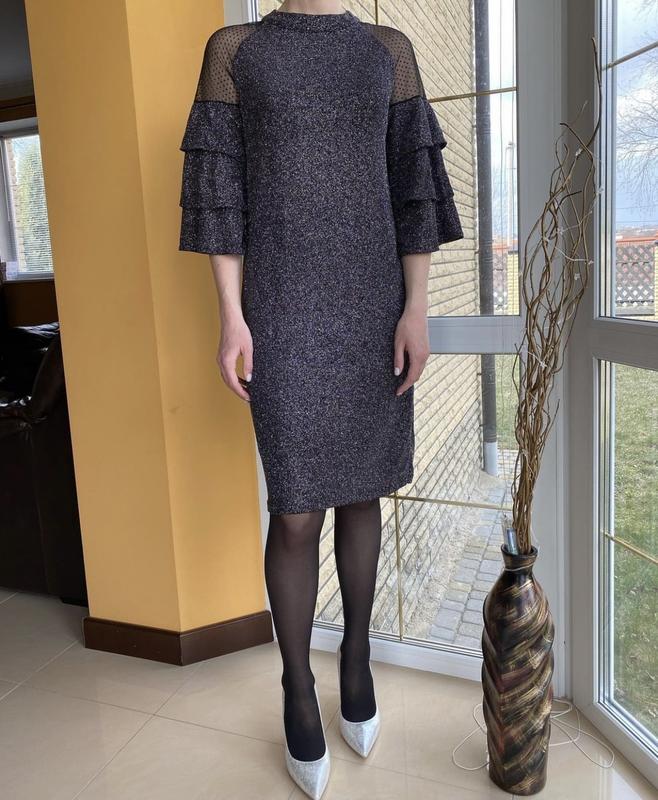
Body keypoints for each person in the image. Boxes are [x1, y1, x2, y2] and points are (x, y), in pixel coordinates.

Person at [178, 1, 464, 797]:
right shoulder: (235, 50)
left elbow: (413, 190)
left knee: (362, 494)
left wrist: (416, 309)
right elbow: (219, 193)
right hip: (279, 309)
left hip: (372, 307)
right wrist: (231, 316)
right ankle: (297, 685)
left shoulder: (387, 50)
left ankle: (357, 658)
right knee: (298, 510)